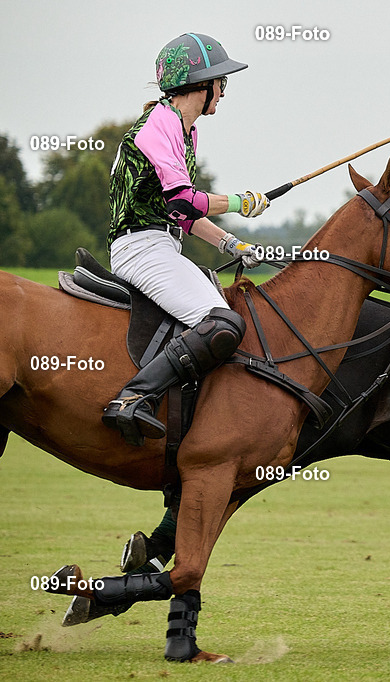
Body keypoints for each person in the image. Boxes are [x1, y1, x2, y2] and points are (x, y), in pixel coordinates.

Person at [102, 33, 269, 446]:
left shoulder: (184, 130)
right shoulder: (160, 125)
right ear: (202, 84)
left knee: (223, 319)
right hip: (139, 247)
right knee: (223, 324)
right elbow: (182, 197)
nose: (223, 94)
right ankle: (133, 398)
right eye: (221, 84)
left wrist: (230, 244)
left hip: (160, 242)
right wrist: (238, 201)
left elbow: (181, 213)